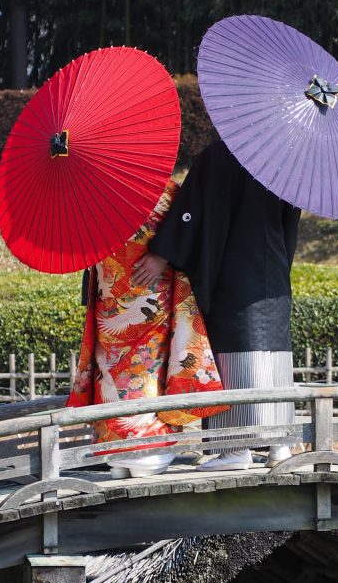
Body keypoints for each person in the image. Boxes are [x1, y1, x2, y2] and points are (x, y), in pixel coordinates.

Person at [131, 139, 299, 470]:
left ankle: (235, 449)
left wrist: (164, 253)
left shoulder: (221, 155)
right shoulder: (284, 158)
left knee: (235, 350)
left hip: (233, 271)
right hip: (274, 272)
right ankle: (280, 446)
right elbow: (289, 226)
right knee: (273, 354)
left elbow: (191, 212)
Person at [67, 179, 225, 477]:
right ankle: (147, 449)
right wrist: (163, 255)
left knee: (112, 367)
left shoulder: (94, 193)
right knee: (145, 367)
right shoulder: (163, 190)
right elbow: (187, 230)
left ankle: (114, 449)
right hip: (149, 295)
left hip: (111, 297)